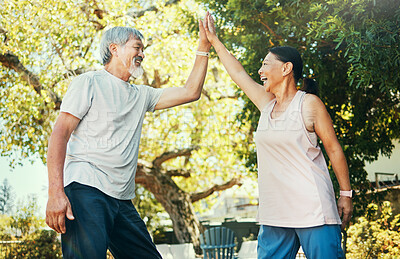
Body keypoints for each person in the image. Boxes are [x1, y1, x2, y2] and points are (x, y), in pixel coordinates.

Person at [45, 17, 211, 259]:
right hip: (86, 188)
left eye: (143, 49)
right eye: (137, 47)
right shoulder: (89, 82)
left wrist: (204, 47)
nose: (142, 53)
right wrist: (56, 194)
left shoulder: (141, 95)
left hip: (121, 198)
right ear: (115, 48)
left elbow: (191, 92)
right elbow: (59, 135)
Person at [203, 13, 353, 259]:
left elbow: (334, 149)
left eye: (265, 64)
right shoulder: (266, 104)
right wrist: (215, 41)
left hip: (313, 208)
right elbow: (239, 75)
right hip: (275, 212)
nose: (260, 70)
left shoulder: (309, 104)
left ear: (286, 68)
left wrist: (345, 195)